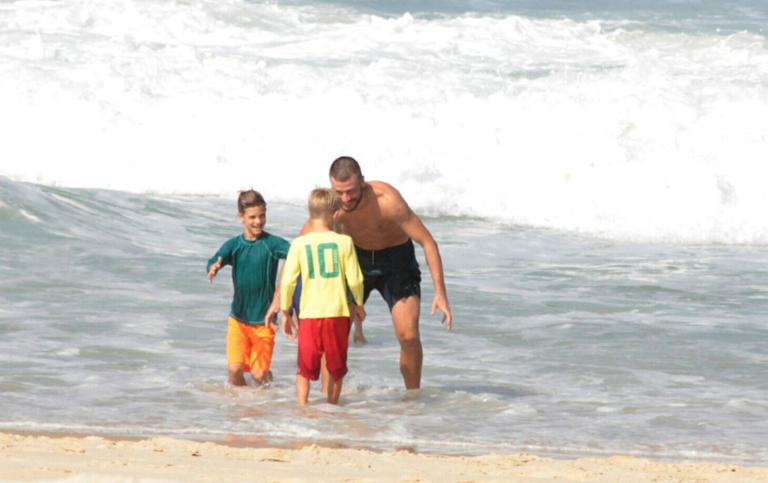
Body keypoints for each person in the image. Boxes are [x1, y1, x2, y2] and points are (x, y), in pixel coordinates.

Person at [320, 156, 453, 390]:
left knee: (409, 336)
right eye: (339, 192)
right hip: (355, 260)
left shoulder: (388, 201)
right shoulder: (331, 206)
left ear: (362, 181)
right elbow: (304, 243)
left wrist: (440, 293)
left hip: (396, 261)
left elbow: (428, 242)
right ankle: (326, 406)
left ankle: (412, 401)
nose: (345, 199)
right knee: (334, 336)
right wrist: (284, 296)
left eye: (350, 191)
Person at [280, 188, 365, 405]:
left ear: (310, 213)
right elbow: (355, 279)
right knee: (336, 368)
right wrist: (358, 303)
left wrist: (285, 312)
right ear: (335, 213)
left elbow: (288, 281)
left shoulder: (299, 244)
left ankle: (302, 406)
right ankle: (332, 407)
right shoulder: (344, 242)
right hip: (337, 313)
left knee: (304, 367)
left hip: (309, 314)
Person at [207, 189, 289, 386]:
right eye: (252, 217)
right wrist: (213, 267)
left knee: (258, 376)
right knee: (235, 371)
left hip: (264, 322)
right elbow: (215, 259)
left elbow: (295, 253)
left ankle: (264, 391)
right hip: (238, 320)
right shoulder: (234, 245)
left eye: (262, 216)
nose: (258, 221)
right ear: (241, 217)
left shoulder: (272, 244)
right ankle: (243, 410)